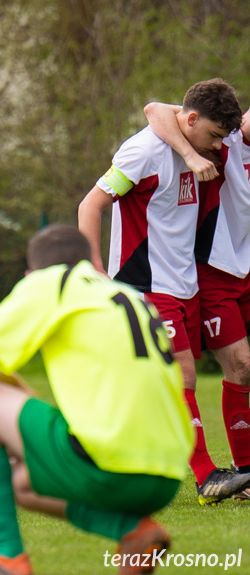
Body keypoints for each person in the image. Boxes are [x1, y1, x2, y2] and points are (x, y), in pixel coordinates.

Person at [0, 224, 199, 575]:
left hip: (109, 463)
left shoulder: (50, 283)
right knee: (13, 480)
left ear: (32, 273)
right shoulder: (127, 295)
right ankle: (132, 530)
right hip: (168, 473)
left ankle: (6, 559)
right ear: (91, 262)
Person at [78, 78, 250, 504]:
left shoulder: (200, 146)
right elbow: (90, 206)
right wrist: (94, 268)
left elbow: (162, 109)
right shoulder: (143, 151)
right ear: (191, 122)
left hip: (184, 282)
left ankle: (98, 452)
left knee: (153, 382)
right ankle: (206, 475)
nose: (217, 147)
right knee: (183, 375)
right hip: (143, 283)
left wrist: (195, 149)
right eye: (211, 136)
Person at [144, 101, 250, 502]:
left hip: (243, 270)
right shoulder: (229, 139)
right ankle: (238, 473)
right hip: (213, 271)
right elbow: (155, 108)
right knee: (234, 366)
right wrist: (190, 153)